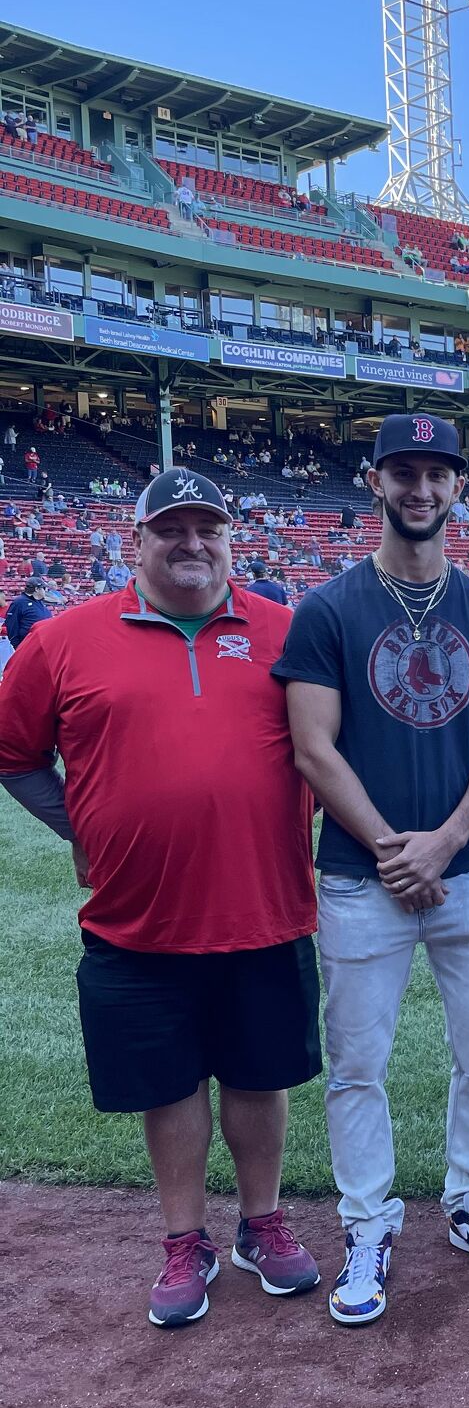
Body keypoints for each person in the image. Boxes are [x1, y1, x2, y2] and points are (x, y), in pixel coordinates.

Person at [0, 468, 322, 1328]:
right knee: (168, 1085)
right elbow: (13, 753)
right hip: (135, 920)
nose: (191, 544)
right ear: (135, 538)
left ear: (231, 537)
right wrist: (86, 829)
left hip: (265, 904)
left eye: (207, 528)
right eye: (170, 529)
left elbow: (331, 747)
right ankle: (187, 1240)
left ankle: (262, 1222)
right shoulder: (64, 640)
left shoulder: (286, 631)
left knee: (260, 1075)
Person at [276, 412, 469, 1327]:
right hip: (360, 875)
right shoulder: (330, 608)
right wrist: (397, 847)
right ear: (374, 481)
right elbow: (314, 747)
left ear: (460, 486)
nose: (420, 488)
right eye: (403, 472)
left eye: (437, 473)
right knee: (358, 1065)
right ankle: (368, 1225)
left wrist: (447, 840)